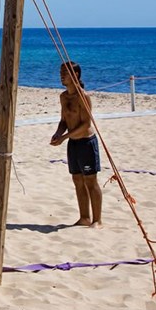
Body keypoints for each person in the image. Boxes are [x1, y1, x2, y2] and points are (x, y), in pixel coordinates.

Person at [50, 61, 103, 228]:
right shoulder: (63, 96)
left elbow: (86, 124)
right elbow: (64, 120)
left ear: (76, 75)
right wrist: (58, 133)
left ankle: (97, 220)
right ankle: (84, 217)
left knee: (91, 181)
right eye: (61, 72)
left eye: (65, 72)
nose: (62, 75)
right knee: (77, 180)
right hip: (73, 144)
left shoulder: (83, 96)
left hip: (86, 143)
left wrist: (64, 137)